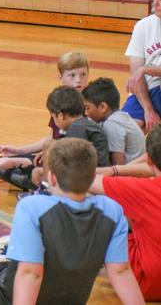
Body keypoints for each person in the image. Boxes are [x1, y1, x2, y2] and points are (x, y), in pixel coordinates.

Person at [0, 139, 144, 305]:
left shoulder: (33, 206)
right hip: (72, 299)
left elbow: (30, 274)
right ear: (94, 176)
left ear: (51, 177)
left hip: (15, 293)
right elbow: (120, 272)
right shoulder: (112, 210)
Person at [0, 51, 90, 188]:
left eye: (83, 74)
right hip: (48, 156)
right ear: (61, 77)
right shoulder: (60, 100)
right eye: (72, 75)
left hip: (61, 161)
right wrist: (19, 150)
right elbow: (50, 137)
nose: (78, 80)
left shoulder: (88, 107)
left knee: (1, 164)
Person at [90, 126, 161, 301]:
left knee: (106, 210)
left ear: (149, 160)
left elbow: (86, 181)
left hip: (147, 285)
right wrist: (116, 171)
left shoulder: (142, 190)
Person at [123, 0, 161, 132]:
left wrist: (145, 70)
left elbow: (141, 71)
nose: (156, 3)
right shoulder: (142, 26)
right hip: (146, 91)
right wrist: (148, 110)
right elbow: (136, 74)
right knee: (123, 133)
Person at [82, 77, 146, 165]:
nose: (85, 113)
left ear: (102, 107)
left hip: (130, 175)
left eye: (87, 108)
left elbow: (118, 165)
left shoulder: (112, 124)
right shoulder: (120, 117)